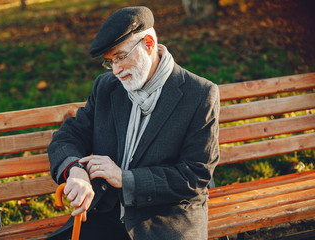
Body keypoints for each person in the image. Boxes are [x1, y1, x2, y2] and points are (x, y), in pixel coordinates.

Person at [47, 6, 220, 240]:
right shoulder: (107, 87)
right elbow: (68, 136)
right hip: (104, 215)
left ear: (148, 44)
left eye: (121, 57)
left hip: (163, 222)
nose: (116, 70)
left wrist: (124, 178)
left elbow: (194, 176)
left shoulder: (199, 94)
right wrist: (75, 170)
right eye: (109, 62)